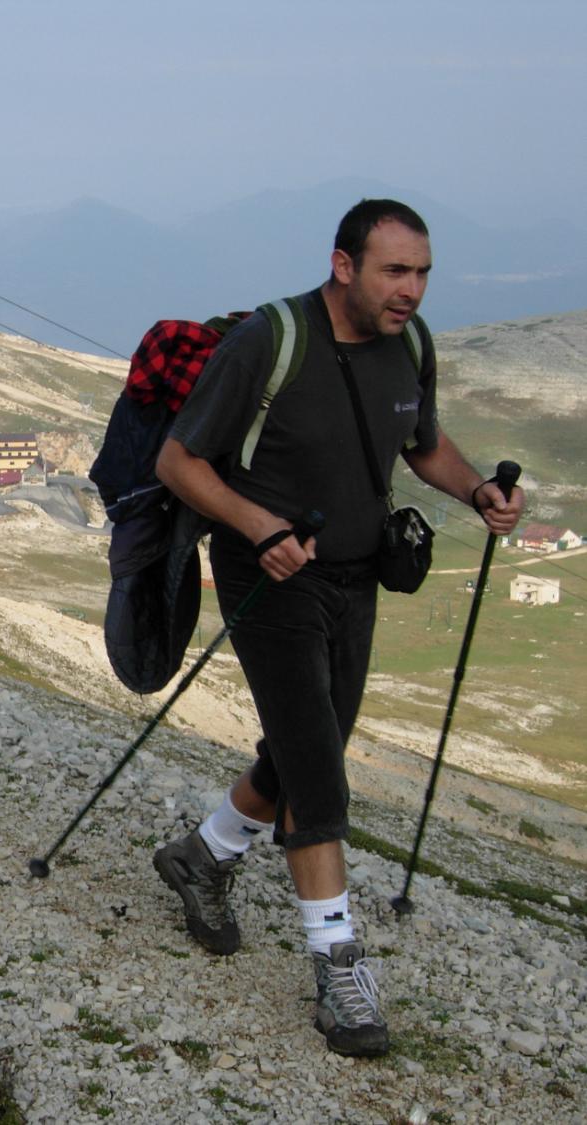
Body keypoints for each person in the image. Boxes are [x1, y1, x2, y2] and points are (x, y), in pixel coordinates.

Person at [151, 199, 524, 1057]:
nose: (413, 290)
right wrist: (260, 528)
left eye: (423, 272)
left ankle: (202, 858)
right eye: (396, 271)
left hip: (359, 579)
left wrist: (476, 491)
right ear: (344, 265)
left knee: (300, 747)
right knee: (319, 769)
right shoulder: (271, 342)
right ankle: (339, 967)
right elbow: (180, 459)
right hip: (270, 574)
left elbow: (422, 443)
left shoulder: (411, 347)